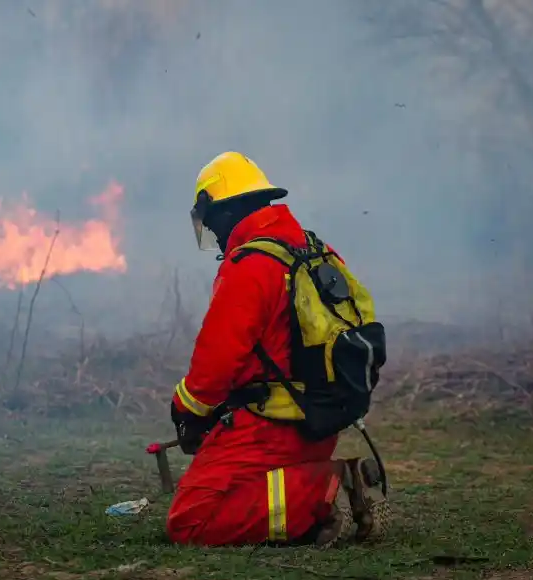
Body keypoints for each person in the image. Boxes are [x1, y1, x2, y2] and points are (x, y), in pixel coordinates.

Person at [166, 151, 390, 548]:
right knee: (247, 491)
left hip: (270, 427)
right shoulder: (315, 249)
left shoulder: (252, 265)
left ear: (223, 212)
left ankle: (329, 491)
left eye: (212, 223)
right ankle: (320, 490)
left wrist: (185, 408)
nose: (214, 235)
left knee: (191, 520)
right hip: (320, 421)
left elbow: (215, 365)